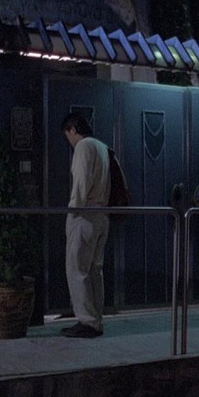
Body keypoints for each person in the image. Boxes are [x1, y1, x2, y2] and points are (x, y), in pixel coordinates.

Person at [60, 112, 111, 338]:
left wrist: (73, 210)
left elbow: (81, 181)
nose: (69, 141)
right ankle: (96, 318)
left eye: (67, 135)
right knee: (94, 271)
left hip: (85, 214)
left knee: (77, 269)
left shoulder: (83, 146)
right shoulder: (101, 147)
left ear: (72, 130)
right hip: (102, 213)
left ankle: (87, 321)